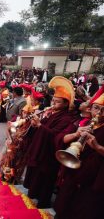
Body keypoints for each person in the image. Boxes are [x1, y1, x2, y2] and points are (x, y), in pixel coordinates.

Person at [23, 76, 75, 208]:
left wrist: (40, 125)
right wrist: (36, 124)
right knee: (36, 176)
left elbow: (56, 135)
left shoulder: (67, 118)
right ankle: (33, 194)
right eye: (53, 100)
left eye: (57, 102)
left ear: (65, 104)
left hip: (50, 154)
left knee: (46, 179)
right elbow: (45, 127)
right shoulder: (53, 112)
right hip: (41, 150)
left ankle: (43, 202)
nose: (53, 103)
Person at [54, 86, 104, 219]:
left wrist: (97, 147)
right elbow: (61, 138)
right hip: (73, 172)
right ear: (90, 109)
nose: (100, 113)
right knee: (63, 206)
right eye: (97, 108)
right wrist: (77, 134)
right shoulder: (84, 123)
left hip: (92, 181)